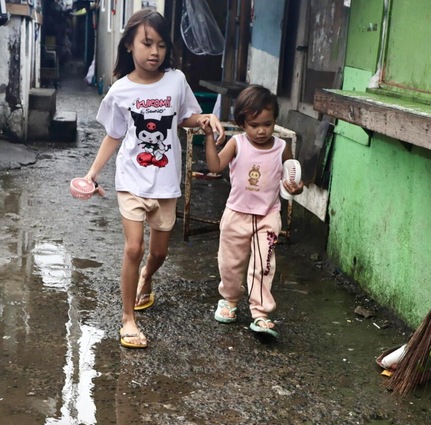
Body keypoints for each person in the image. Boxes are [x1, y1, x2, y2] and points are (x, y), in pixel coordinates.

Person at [82, 9, 224, 349]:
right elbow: (114, 136)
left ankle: (147, 278)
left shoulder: (176, 80)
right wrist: (92, 173)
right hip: (131, 179)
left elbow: (187, 118)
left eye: (161, 44)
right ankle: (128, 319)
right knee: (134, 247)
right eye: (147, 43)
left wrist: (204, 120)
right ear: (130, 44)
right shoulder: (119, 90)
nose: (154, 52)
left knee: (159, 253)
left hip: (165, 183)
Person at [203, 85, 302, 338]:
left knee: (263, 264)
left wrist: (296, 187)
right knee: (230, 262)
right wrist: (208, 139)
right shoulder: (237, 144)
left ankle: (260, 313)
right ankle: (230, 301)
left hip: (268, 215)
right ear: (242, 123)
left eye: (267, 124)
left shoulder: (282, 148)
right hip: (236, 213)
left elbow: (290, 182)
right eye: (254, 124)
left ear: (275, 121)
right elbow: (215, 166)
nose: (261, 130)